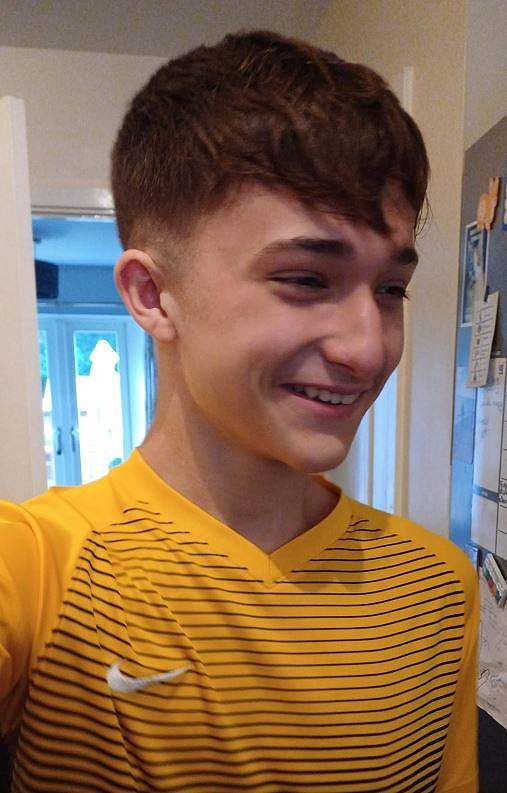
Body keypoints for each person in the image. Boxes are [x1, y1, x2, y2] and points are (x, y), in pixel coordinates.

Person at [0, 30, 478, 793]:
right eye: (306, 279)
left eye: (390, 289)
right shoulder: (39, 566)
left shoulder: (438, 587)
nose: (369, 347)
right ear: (153, 295)